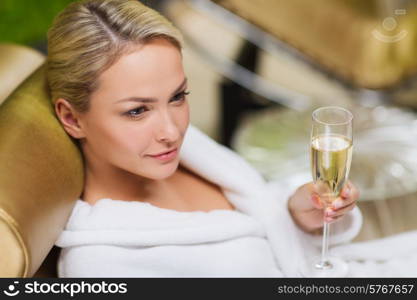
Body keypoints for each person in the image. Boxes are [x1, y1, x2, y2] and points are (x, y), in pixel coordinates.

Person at [49, 0, 360, 277]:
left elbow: (262, 219)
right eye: (136, 111)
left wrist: (296, 214)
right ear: (72, 118)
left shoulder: (192, 153)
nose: (172, 132)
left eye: (177, 96)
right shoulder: (101, 266)